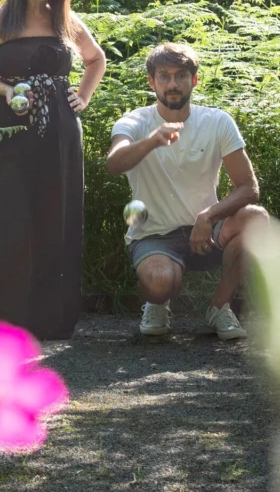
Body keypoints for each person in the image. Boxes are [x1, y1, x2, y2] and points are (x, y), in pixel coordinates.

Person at [0, 0, 106, 340]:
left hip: (60, 130)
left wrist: (84, 95)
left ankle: (52, 320)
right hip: (8, 130)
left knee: (55, 217)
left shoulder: (65, 21)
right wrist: (3, 90)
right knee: (10, 220)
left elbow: (97, 59)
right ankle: (8, 322)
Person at [106, 42, 268, 339]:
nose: (172, 83)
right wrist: (153, 140)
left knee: (255, 217)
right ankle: (157, 302)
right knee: (159, 282)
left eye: (181, 75)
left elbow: (249, 188)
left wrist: (208, 216)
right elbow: (115, 163)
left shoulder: (217, 122)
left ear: (194, 80)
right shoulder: (134, 122)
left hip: (207, 232)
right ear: (151, 81)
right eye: (164, 76)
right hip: (154, 235)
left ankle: (219, 307)